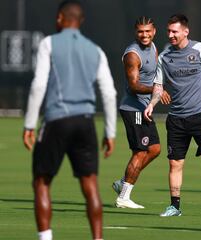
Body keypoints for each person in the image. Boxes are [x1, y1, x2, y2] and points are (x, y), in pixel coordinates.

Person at [22, 1, 117, 239]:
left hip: (56, 120)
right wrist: (110, 132)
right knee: (90, 185)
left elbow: (39, 84)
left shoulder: (48, 43)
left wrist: (29, 124)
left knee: (42, 182)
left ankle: (45, 237)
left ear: (59, 18)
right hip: (85, 123)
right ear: (81, 21)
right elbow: (109, 93)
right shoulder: (95, 50)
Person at [144, 14, 201, 217]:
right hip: (176, 119)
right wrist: (152, 104)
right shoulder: (164, 57)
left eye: (175, 31)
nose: (171, 35)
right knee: (175, 163)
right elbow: (158, 85)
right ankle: (175, 206)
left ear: (185, 31)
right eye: (169, 31)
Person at [112, 16, 170, 209]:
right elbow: (134, 85)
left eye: (148, 31)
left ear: (154, 32)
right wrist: (157, 90)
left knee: (154, 150)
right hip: (132, 108)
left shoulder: (153, 48)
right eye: (140, 31)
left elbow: (156, 74)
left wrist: (158, 88)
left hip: (144, 108)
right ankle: (124, 196)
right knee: (140, 151)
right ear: (135, 32)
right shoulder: (132, 55)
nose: (144, 35)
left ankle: (123, 182)